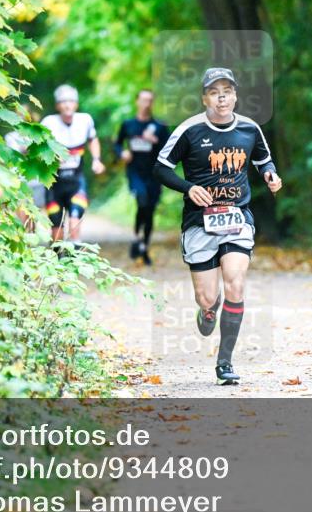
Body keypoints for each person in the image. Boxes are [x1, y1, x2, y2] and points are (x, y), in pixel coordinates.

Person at [153, 68, 282, 385]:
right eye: (214, 91)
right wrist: (188, 188)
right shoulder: (190, 130)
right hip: (200, 222)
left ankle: (225, 363)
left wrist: (270, 174)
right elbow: (160, 168)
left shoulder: (250, 129)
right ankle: (208, 310)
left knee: (235, 281)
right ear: (204, 98)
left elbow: (263, 159)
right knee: (207, 298)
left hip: (237, 217)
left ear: (236, 95)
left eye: (227, 90)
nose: (221, 96)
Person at [41, 84, 105, 244]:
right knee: (57, 229)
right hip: (54, 184)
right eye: (63, 101)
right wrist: (51, 157)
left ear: (76, 104)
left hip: (76, 181)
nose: (67, 105)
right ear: (57, 106)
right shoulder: (48, 123)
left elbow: (93, 139)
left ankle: (76, 261)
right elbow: (37, 148)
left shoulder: (85, 120)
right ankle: (57, 261)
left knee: (75, 220)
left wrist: (97, 160)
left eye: (71, 101)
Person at [114, 89, 170, 265]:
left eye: (150, 101)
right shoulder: (128, 124)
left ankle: (143, 246)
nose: (146, 104)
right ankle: (137, 238)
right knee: (142, 199)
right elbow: (116, 144)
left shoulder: (160, 127)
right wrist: (122, 153)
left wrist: (155, 141)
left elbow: (170, 149)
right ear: (137, 101)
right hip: (135, 171)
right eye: (143, 100)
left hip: (154, 173)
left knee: (149, 210)